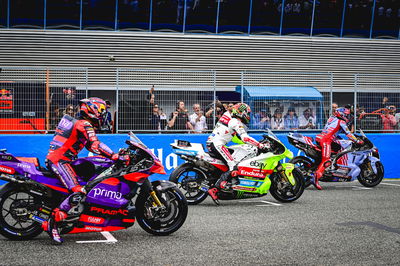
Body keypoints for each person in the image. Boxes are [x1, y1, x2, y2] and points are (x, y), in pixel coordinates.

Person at [43, 97, 129, 244]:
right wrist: (114, 155)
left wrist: (110, 154)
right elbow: (95, 144)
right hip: (60, 161)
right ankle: (52, 224)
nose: (103, 114)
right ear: (92, 110)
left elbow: (89, 146)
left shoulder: (76, 122)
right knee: (78, 191)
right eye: (101, 111)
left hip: (59, 159)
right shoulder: (84, 124)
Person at [206, 103, 269, 203]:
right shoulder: (235, 122)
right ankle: (215, 189)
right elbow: (245, 137)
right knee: (234, 166)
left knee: (228, 163)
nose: (248, 115)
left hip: (212, 143)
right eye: (247, 113)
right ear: (242, 113)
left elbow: (238, 136)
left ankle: (224, 183)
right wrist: (259, 145)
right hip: (218, 145)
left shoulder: (227, 115)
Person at [314, 107, 364, 190]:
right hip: (326, 140)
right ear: (341, 114)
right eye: (346, 115)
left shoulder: (331, 118)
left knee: (336, 149)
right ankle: (316, 178)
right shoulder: (341, 122)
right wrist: (357, 141)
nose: (347, 117)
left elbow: (334, 131)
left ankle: (332, 168)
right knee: (326, 161)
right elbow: (348, 134)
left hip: (320, 138)